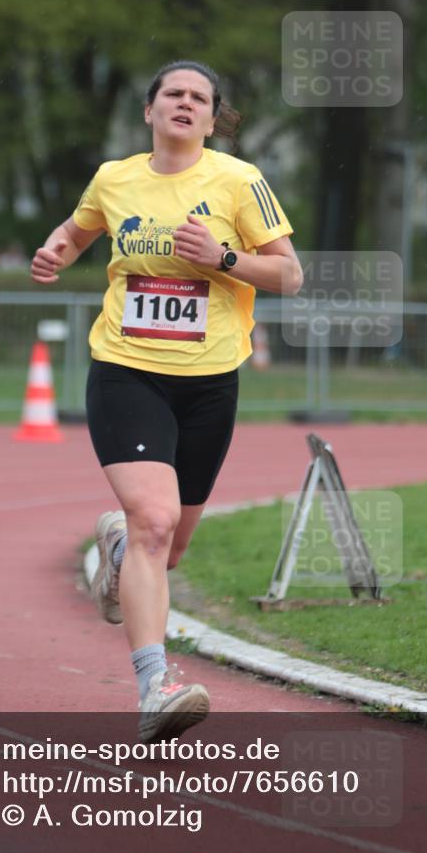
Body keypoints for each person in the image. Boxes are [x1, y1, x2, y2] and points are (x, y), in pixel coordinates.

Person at [31, 60, 303, 743]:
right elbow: (78, 229)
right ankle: (156, 684)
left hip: (210, 382)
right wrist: (55, 250)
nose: (184, 104)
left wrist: (223, 258)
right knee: (153, 520)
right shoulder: (113, 178)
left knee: (167, 548)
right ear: (149, 111)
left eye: (198, 98)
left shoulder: (238, 182)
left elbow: (290, 276)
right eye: (172, 94)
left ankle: (117, 544)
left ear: (213, 120)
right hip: (126, 370)